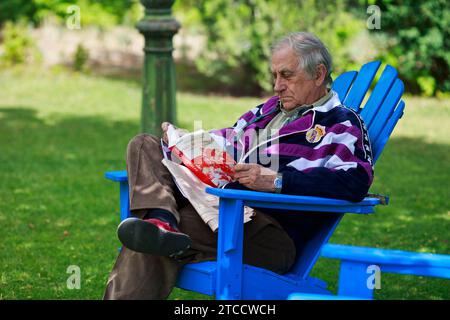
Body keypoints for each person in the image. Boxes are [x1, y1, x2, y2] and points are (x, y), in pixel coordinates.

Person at [103, 31, 373, 300]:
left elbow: (355, 181)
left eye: (286, 75)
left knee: (151, 240)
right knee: (143, 144)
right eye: (275, 75)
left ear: (318, 73)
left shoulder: (342, 125)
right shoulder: (266, 111)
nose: (277, 85)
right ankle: (161, 220)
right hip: (218, 210)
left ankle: (160, 226)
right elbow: (228, 139)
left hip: (269, 233)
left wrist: (277, 181)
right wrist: (186, 140)